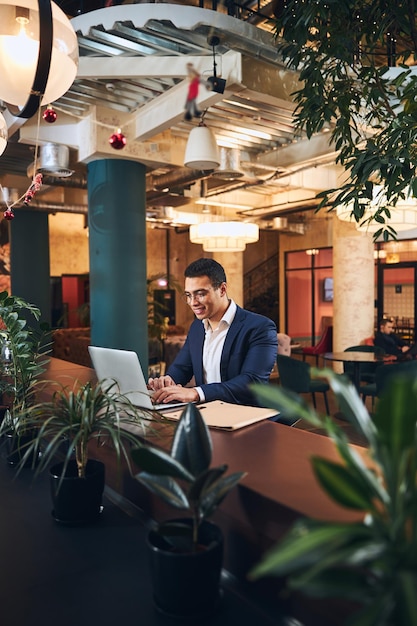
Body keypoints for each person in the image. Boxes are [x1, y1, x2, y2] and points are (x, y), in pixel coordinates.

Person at [148, 258, 278, 406]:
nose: (193, 302)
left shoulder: (260, 327)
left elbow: (253, 382)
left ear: (222, 289)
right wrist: (167, 382)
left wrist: (196, 393)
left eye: (200, 294)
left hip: (247, 416)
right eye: (189, 295)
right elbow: (182, 368)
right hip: (208, 413)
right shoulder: (197, 327)